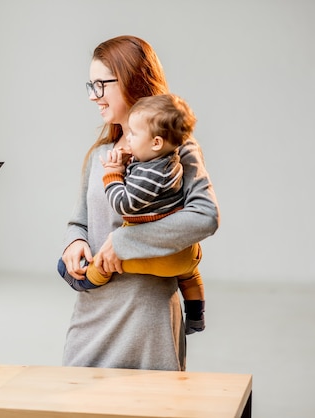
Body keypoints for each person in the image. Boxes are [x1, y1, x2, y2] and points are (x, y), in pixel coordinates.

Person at [59, 35, 219, 371]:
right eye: (91, 85)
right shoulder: (103, 155)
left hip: (149, 325)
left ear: (133, 80)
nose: (93, 96)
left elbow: (205, 217)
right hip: (91, 319)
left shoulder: (177, 151)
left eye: (101, 84)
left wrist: (124, 242)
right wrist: (73, 242)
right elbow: (80, 221)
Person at [57, 93, 206, 334]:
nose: (129, 139)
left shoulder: (151, 172)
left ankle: (86, 278)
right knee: (189, 275)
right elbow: (79, 219)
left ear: (156, 142)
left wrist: (114, 173)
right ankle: (196, 316)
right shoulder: (170, 159)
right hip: (185, 255)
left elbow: (123, 203)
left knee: (108, 261)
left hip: (158, 256)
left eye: (134, 135)